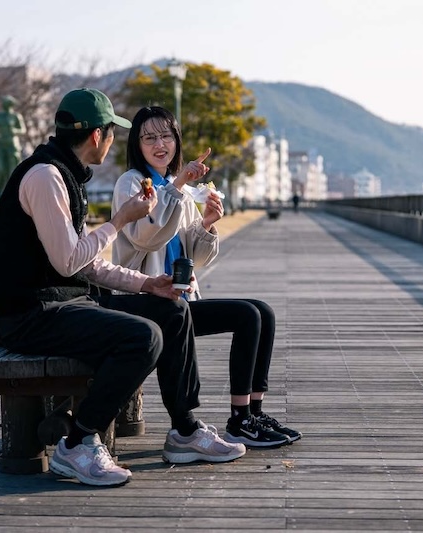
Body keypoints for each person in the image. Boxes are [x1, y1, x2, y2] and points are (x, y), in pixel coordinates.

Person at [0, 89, 245, 487]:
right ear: (96, 136)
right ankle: (78, 442)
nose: (112, 141)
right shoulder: (44, 176)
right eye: (112, 133)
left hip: (65, 303)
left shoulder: (64, 174)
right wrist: (120, 220)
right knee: (142, 338)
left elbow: (87, 262)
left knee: (173, 312)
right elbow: (69, 262)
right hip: (29, 314)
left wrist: (148, 284)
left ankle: (185, 431)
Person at [111, 106, 302, 448]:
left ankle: (251, 414)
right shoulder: (131, 183)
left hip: (180, 300)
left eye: (166, 136)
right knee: (245, 316)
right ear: (136, 145)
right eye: (149, 137)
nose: (160, 144)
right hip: (143, 301)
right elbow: (146, 237)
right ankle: (238, 420)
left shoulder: (177, 189)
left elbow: (195, 258)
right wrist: (180, 184)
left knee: (262, 312)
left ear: (176, 141)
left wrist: (208, 223)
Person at [0, 95, 26, 200]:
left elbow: (23, 130)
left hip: (12, 145)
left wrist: (15, 130)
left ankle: (13, 191)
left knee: (13, 169)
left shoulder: (16, 116)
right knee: (0, 168)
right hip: (1, 145)